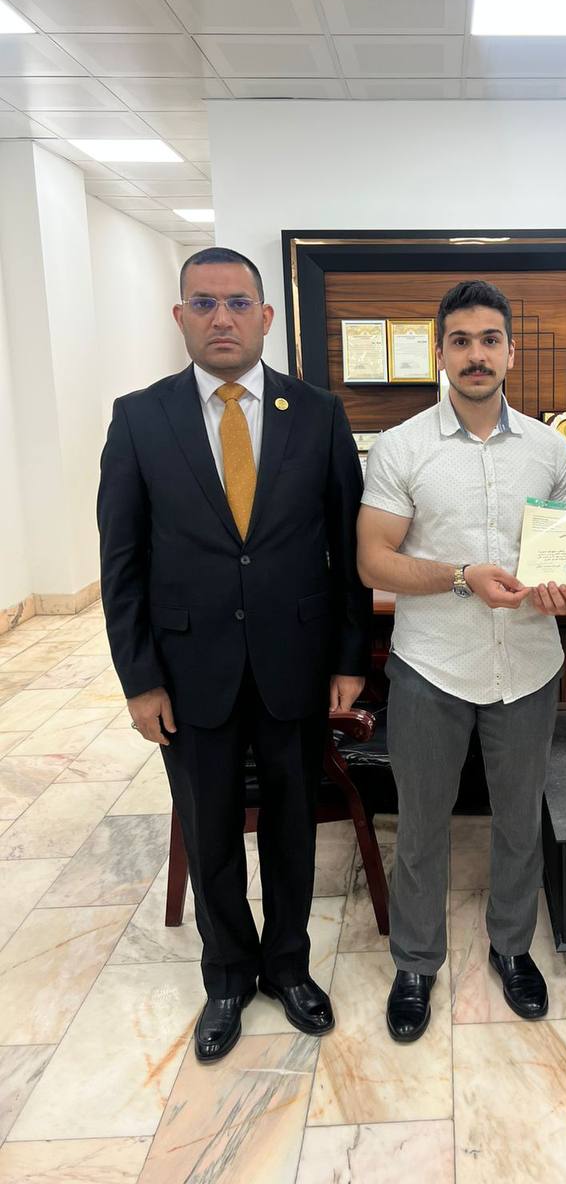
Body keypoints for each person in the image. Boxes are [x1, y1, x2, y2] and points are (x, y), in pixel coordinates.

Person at [98, 246, 370, 1062]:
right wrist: (139, 680)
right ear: (180, 316)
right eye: (205, 303)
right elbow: (122, 562)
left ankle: (288, 965)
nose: (222, 318)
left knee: (292, 827)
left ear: (266, 316)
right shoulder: (139, 418)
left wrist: (348, 659)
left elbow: (348, 549)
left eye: (238, 303)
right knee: (210, 829)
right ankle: (225, 976)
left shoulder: (317, 413)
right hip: (190, 671)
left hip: (296, 663)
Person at [357, 279, 566, 1042]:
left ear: (511, 351)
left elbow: (563, 555)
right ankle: (416, 963)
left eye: (490, 340)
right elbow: (374, 560)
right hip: (431, 667)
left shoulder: (552, 449)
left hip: (529, 665)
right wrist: (460, 576)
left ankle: (511, 948)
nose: (476, 355)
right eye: (461, 341)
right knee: (421, 825)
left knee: (519, 821)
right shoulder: (402, 446)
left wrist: (561, 587)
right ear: (440, 353)